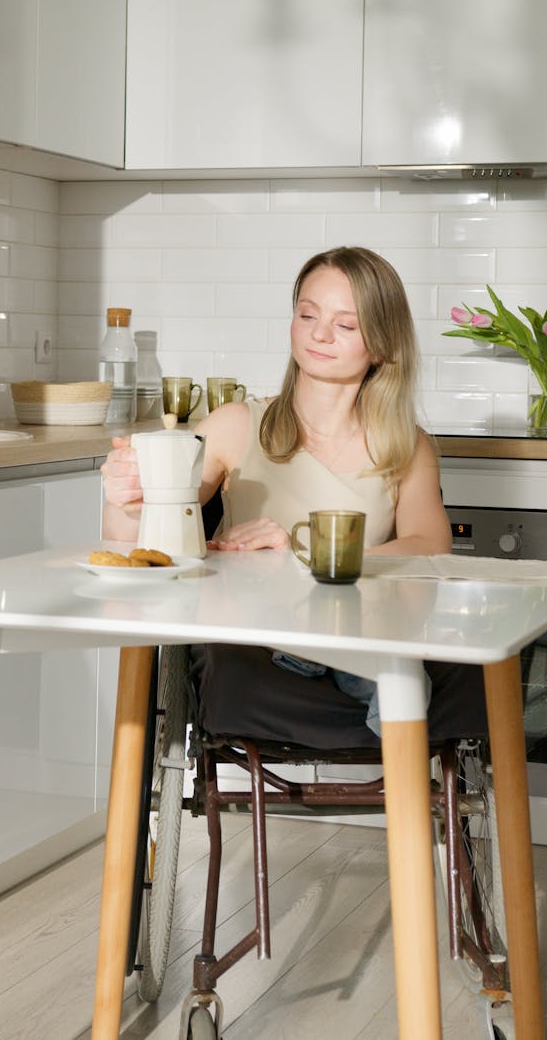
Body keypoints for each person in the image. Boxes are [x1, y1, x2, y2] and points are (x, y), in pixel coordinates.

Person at [100, 246, 464, 740]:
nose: (319, 333)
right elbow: (146, 539)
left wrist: (307, 559)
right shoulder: (235, 426)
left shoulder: (406, 445)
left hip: (361, 631)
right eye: (307, 314)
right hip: (258, 648)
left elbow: (430, 546)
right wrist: (126, 497)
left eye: (346, 325)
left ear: (381, 344)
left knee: (431, 661)